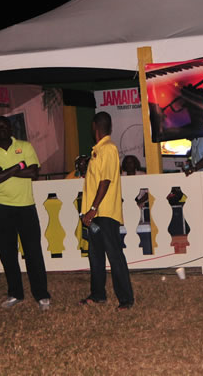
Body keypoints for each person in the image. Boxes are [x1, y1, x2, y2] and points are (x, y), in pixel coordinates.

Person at [0, 116, 51, 310]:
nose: (2, 129)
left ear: (11, 128)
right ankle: (15, 293)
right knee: (7, 253)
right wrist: (19, 166)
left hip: (26, 205)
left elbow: (33, 173)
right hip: (2, 207)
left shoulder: (25, 146)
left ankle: (42, 295)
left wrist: (4, 171)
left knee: (33, 252)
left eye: (5, 126)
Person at [79, 112, 134, 310]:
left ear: (95, 126)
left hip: (105, 213)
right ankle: (98, 294)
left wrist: (93, 209)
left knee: (114, 255)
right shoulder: (98, 150)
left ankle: (126, 299)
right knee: (95, 255)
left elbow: (106, 181)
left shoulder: (108, 149)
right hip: (95, 215)